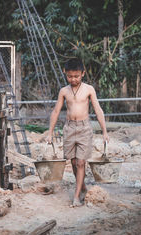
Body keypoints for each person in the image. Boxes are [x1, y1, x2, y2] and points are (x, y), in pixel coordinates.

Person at [46, 58, 109, 207]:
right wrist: (50, 133)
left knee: (81, 162)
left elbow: (98, 110)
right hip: (69, 128)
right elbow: (56, 111)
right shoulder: (64, 91)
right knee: (73, 162)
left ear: (83, 73)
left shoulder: (89, 89)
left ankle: (76, 196)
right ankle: (83, 187)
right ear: (65, 73)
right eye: (70, 76)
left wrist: (105, 131)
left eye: (76, 76)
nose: (73, 79)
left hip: (84, 128)